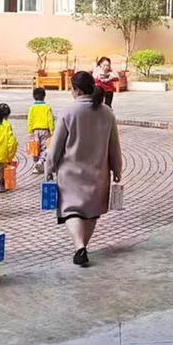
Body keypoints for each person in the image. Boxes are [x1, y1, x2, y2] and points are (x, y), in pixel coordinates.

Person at [45, 71, 123, 267]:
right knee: (91, 213)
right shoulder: (107, 112)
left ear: (76, 90)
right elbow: (114, 144)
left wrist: (49, 166)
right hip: (98, 173)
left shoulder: (68, 112)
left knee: (72, 211)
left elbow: (56, 146)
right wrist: (117, 168)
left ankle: (79, 246)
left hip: (70, 174)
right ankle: (81, 247)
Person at [27, 88, 55, 174]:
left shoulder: (32, 108)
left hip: (35, 131)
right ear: (44, 96)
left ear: (34, 97)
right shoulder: (47, 107)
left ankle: (35, 166)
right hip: (45, 131)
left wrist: (30, 132)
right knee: (45, 148)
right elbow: (50, 120)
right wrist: (52, 131)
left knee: (35, 149)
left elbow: (30, 120)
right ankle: (41, 161)